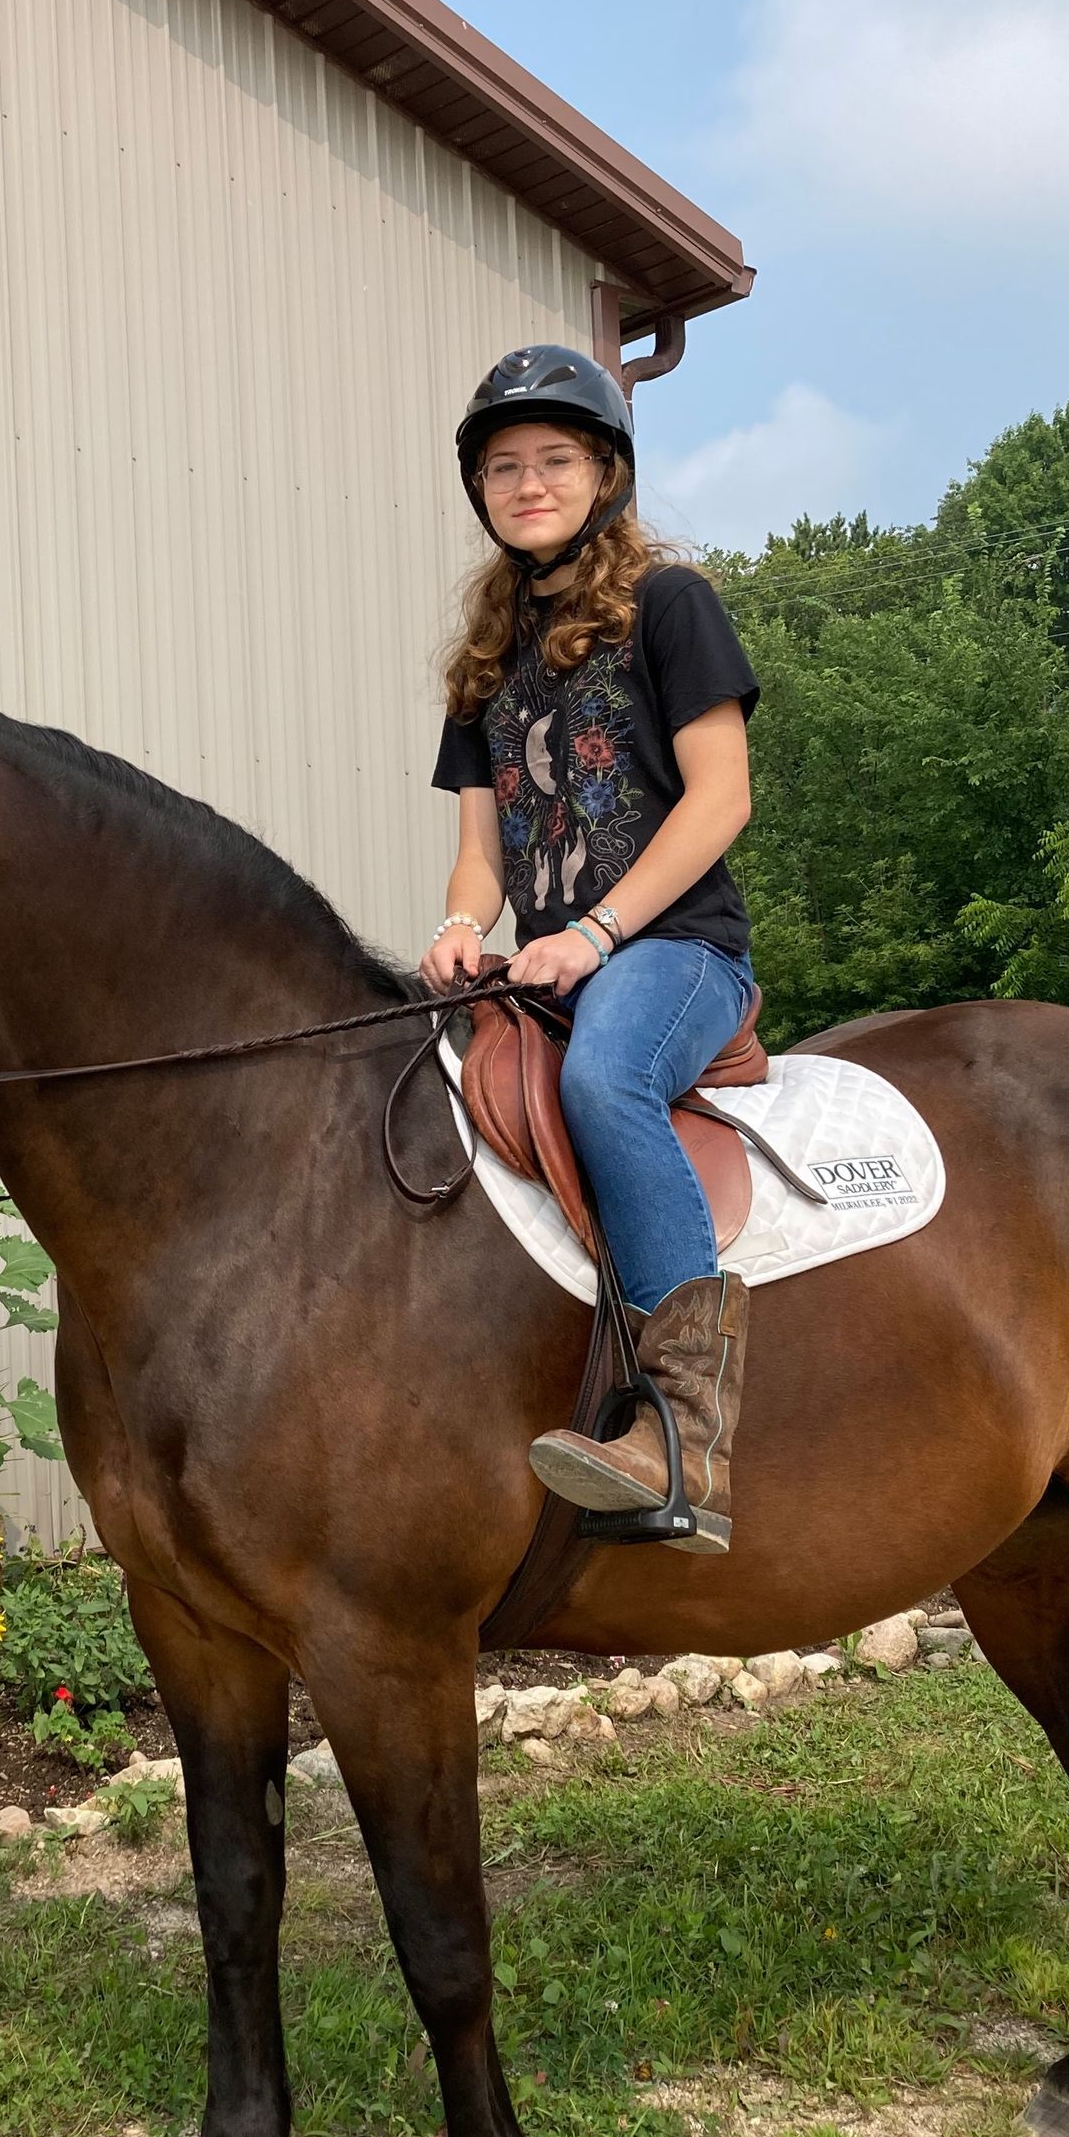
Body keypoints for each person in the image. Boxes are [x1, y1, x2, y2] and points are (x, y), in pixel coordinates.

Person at [419, 345, 760, 1553]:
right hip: (548, 962)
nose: (528, 484)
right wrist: (466, 928)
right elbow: (482, 849)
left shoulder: (672, 604)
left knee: (603, 1078)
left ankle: (682, 1432)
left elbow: (722, 797)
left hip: (675, 953)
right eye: (503, 467)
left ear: (605, 472)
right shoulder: (485, 661)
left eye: (554, 459)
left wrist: (599, 931)